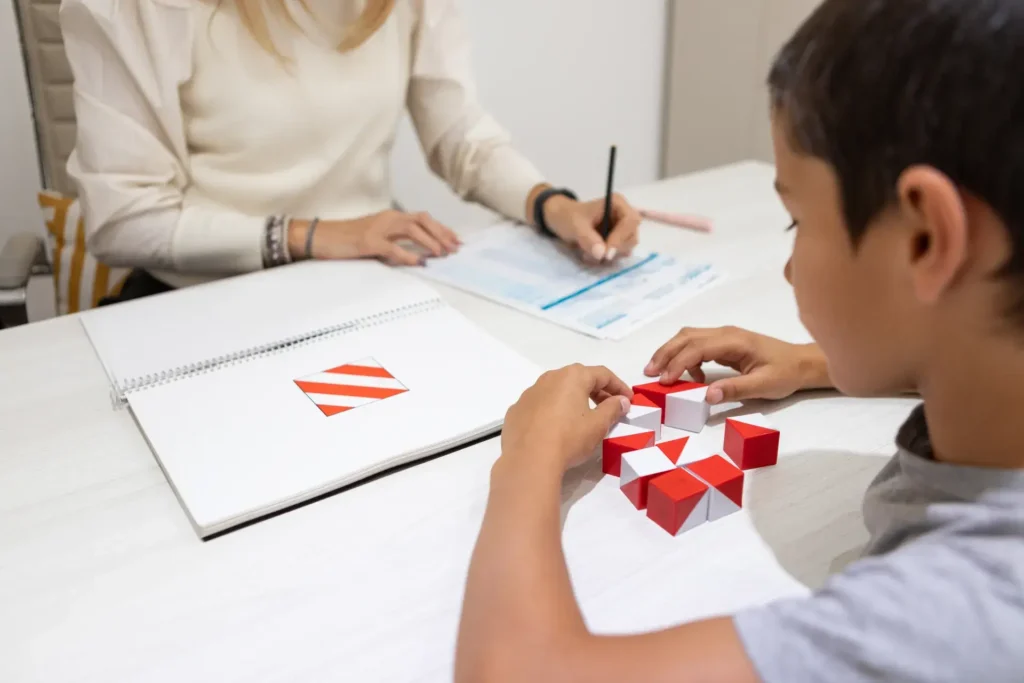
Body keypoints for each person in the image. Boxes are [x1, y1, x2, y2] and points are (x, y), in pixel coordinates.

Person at [455, 0, 1024, 680]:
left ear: (927, 237)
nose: (786, 266)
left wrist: (529, 459)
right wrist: (818, 362)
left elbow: (515, 671)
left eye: (795, 222)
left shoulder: (963, 616)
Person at [60, 0, 641, 301]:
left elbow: (457, 132)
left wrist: (551, 206)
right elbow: (124, 221)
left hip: (360, 288)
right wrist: (314, 235)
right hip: (195, 302)